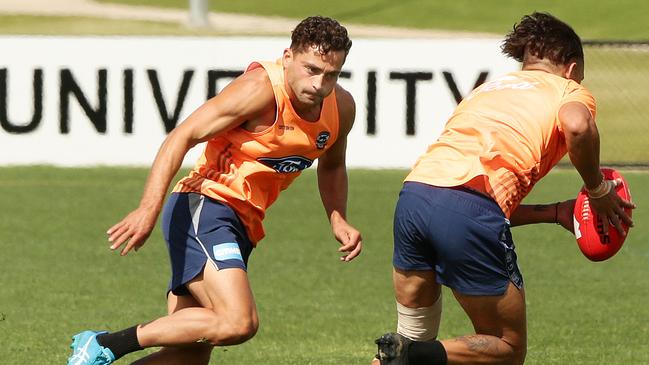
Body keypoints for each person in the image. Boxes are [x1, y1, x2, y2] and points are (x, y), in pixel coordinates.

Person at [67, 15, 362, 365]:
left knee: (187, 357)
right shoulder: (260, 90)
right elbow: (183, 135)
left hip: (243, 224)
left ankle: (104, 348)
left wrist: (337, 217)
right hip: (205, 206)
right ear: (287, 58)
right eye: (311, 69)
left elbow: (332, 164)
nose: (319, 83)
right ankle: (107, 342)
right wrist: (148, 208)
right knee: (239, 322)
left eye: (331, 74)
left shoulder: (341, 108)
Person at [372, 12, 635, 365]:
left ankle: (406, 351)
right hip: (466, 208)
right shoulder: (567, 89)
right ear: (572, 70)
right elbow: (577, 125)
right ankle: (415, 354)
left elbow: (464, 194)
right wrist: (598, 190)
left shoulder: (487, 91)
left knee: (407, 340)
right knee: (506, 348)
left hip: (414, 198)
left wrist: (554, 212)